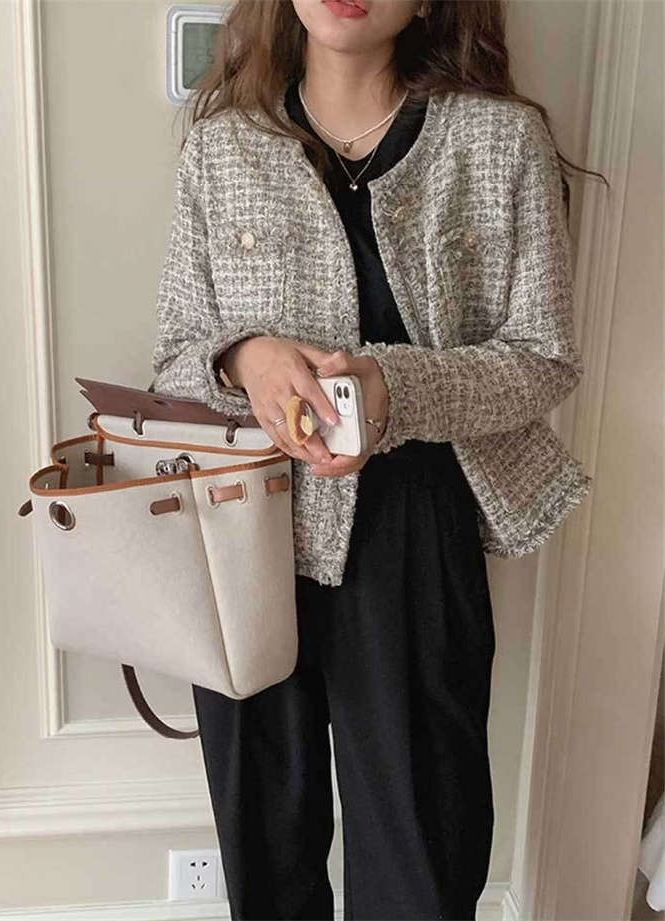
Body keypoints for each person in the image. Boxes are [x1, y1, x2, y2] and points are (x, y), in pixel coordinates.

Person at [150, 1, 602, 918]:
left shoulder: (498, 143)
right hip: (244, 532)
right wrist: (245, 357)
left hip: (415, 530)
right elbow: (172, 357)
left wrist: (397, 388)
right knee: (263, 842)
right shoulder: (224, 147)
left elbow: (543, 358)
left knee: (421, 848)